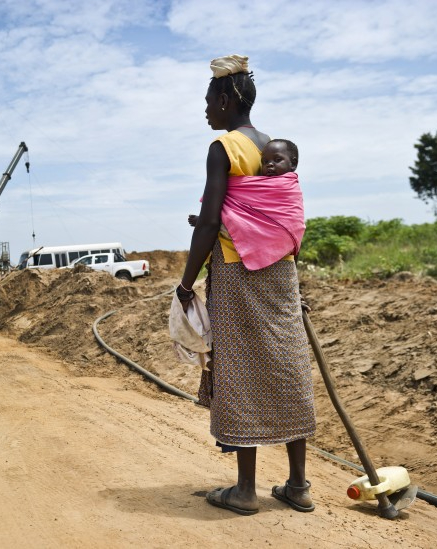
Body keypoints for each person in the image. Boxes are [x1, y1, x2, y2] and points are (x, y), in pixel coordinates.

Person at [178, 55, 315, 516]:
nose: (205, 111)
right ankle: (297, 484)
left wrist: (186, 281)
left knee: (238, 370)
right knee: (287, 362)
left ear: (224, 99)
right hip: (280, 271)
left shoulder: (225, 148)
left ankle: (244, 491)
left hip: (239, 272)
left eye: (207, 102)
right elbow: (280, 215)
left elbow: (214, 220)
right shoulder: (276, 147)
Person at [188, 138, 300, 227]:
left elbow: (293, 217)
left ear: (293, 164)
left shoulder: (288, 186)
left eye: (277, 160)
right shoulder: (260, 183)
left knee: (237, 218)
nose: (269, 164)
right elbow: (246, 208)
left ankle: (207, 220)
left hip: (282, 229)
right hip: (264, 230)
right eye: (265, 162)